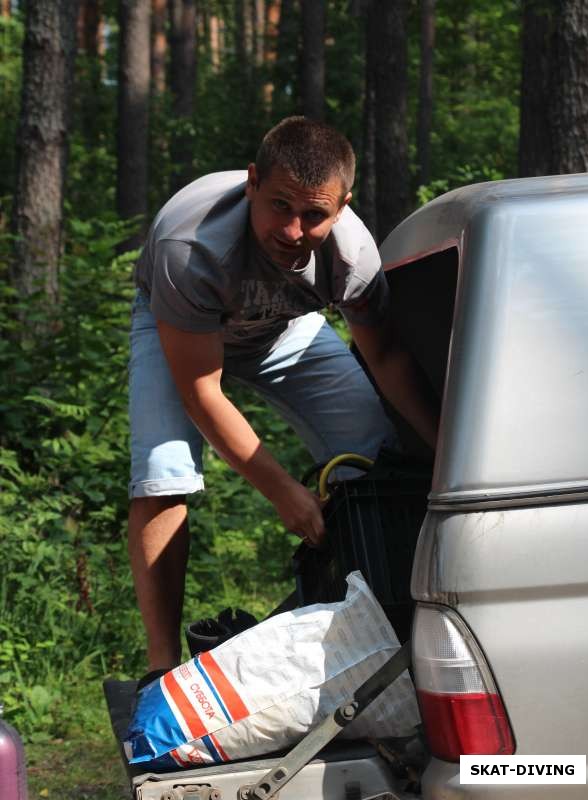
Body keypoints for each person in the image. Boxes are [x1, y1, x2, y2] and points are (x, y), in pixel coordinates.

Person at [128, 116, 438, 685]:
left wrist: (445, 454)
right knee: (162, 473)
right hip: (178, 326)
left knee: (380, 451)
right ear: (251, 182)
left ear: (342, 206)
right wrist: (284, 493)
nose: (293, 231)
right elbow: (202, 391)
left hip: (283, 330)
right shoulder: (189, 246)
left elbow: (388, 360)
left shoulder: (353, 257)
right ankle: (159, 668)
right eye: (279, 206)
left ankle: (389, 624)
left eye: (314, 215)